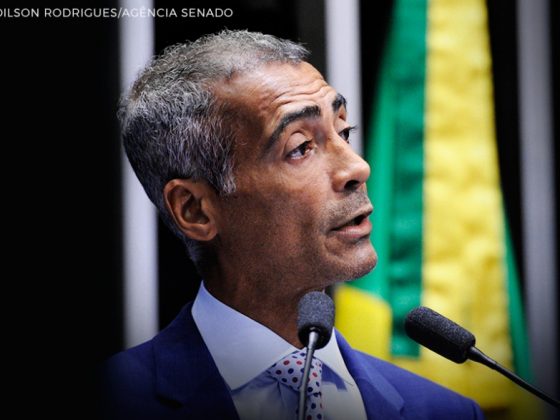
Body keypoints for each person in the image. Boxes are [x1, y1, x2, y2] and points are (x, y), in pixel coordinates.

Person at [99, 30, 484, 419]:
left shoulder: (446, 412)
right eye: (300, 148)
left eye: (344, 131)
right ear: (196, 210)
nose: (357, 167)